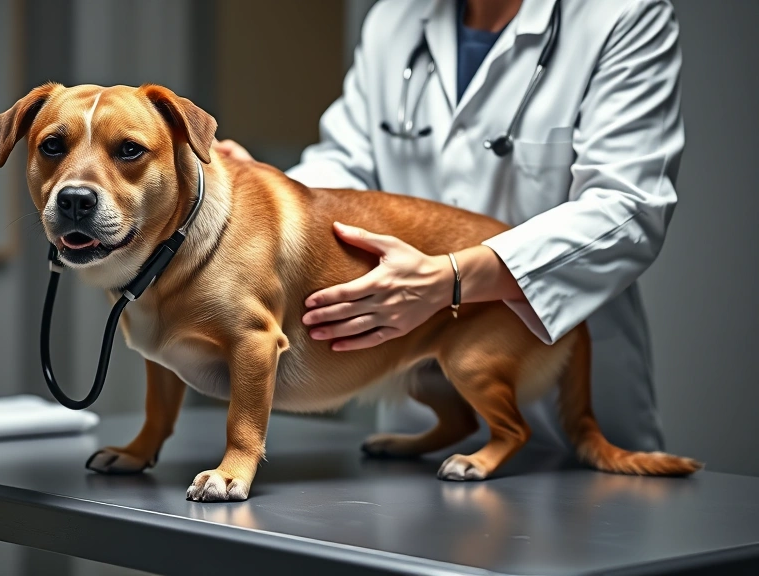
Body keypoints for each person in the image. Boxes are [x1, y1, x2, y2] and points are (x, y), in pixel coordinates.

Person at [214, 0, 683, 453]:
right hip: (418, 381)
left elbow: (629, 207)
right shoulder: (395, 19)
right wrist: (272, 197)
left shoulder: (623, 15)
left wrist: (450, 278)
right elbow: (346, 167)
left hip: (556, 366)